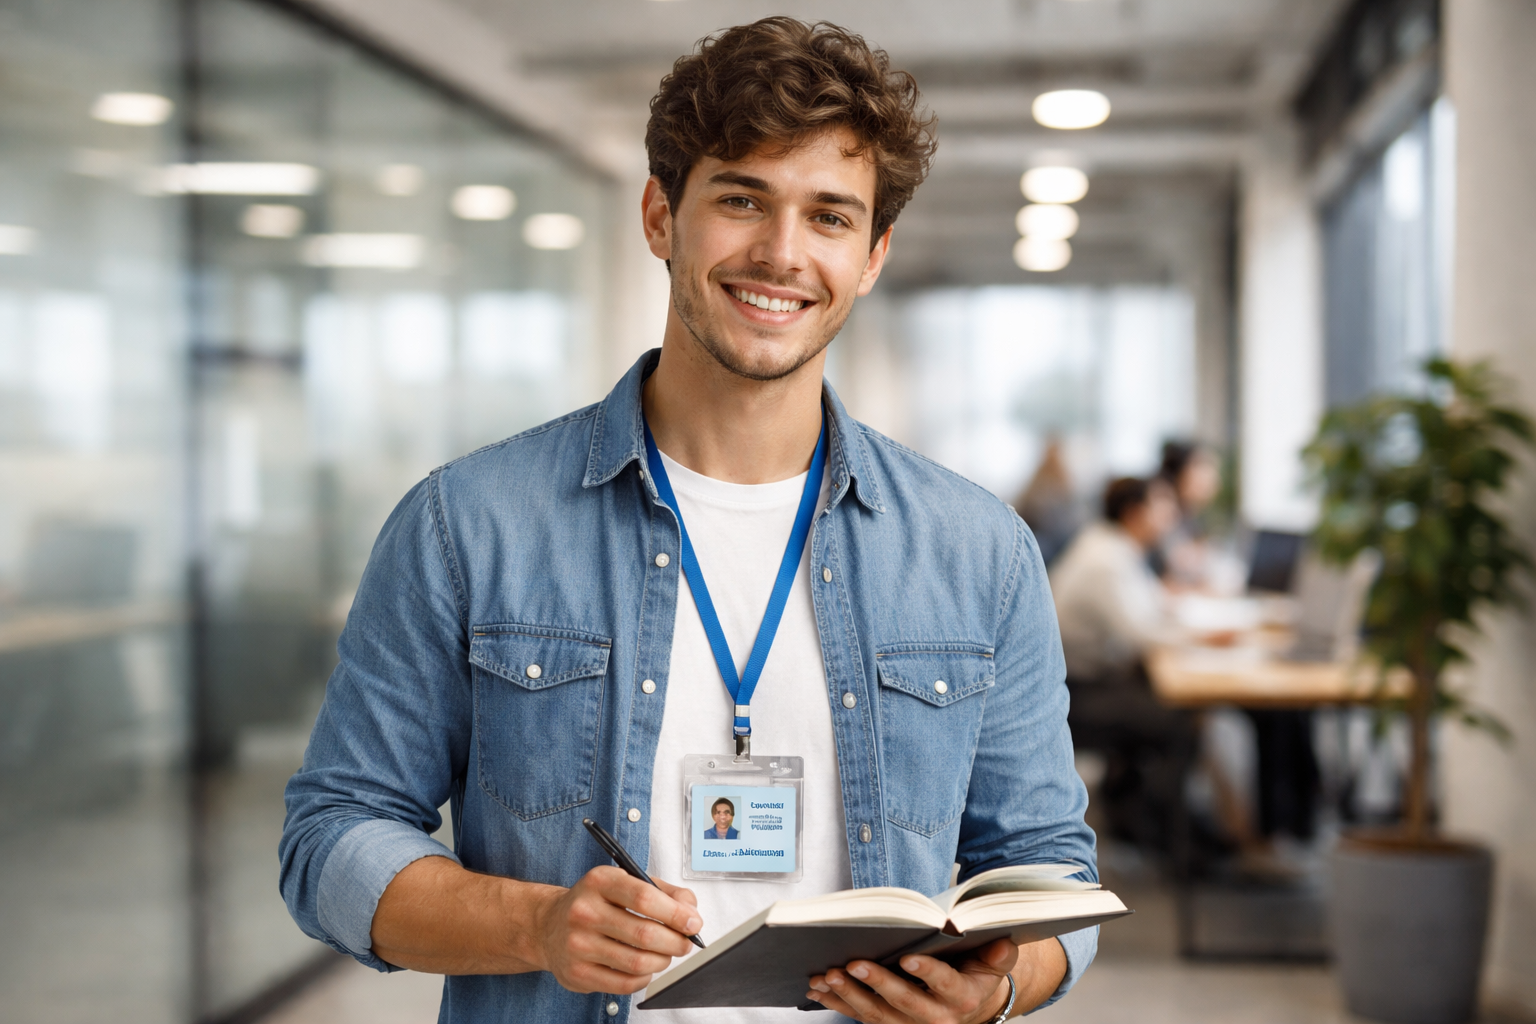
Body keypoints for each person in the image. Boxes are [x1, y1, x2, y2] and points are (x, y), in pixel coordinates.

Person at [279, 18, 1097, 1024]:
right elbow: (330, 840)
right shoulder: (468, 526)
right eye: (742, 199)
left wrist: (999, 987)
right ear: (660, 215)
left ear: (873, 254)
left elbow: (1051, 871)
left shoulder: (979, 552)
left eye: (829, 217)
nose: (782, 254)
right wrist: (538, 926)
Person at [1050, 477, 1196, 851]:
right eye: (1161, 507)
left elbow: (1151, 607)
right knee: (1181, 721)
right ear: (1134, 513)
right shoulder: (1106, 562)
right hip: (1076, 694)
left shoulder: (1113, 546)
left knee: (1168, 705)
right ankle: (1172, 839)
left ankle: (1138, 815)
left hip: (1087, 680)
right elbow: (1141, 636)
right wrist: (1203, 638)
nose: (1170, 516)